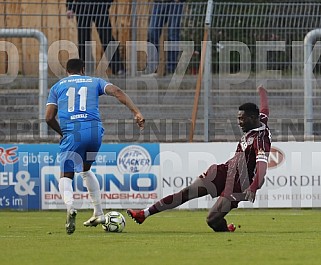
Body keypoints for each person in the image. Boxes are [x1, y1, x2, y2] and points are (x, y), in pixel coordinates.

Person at [127, 85, 271, 232]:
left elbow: (262, 168)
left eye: (242, 119)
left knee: (212, 220)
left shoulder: (261, 140)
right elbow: (265, 108)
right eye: (238, 118)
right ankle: (144, 214)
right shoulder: (260, 119)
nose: (239, 123)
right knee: (186, 192)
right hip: (225, 170)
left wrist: (253, 187)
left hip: (240, 182)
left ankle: (226, 230)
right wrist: (262, 90)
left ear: (253, 118)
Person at [45, 58, 145, 235]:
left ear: (67, 71)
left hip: (73, 133)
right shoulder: (94, 81)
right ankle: (98, 212)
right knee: (85, 169)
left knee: (66, 175)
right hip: (94, 132)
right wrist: (136, 112)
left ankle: (70, 207)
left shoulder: (57, 87)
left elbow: (49, 118)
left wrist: (63, 134)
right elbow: (116, 91)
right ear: (83, 69)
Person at [66, 0, 125, 75]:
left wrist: (105, 4)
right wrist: (70, 7)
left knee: (107, 37)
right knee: (83, 40)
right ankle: (84, 69)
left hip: (100, 7)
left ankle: (118, 68)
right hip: (82, 7)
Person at [146, 0, 185, 76]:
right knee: (152, 32)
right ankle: (152, 69)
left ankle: (171, 70)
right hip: (159, 2)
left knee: (173, 33)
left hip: (175, 2)